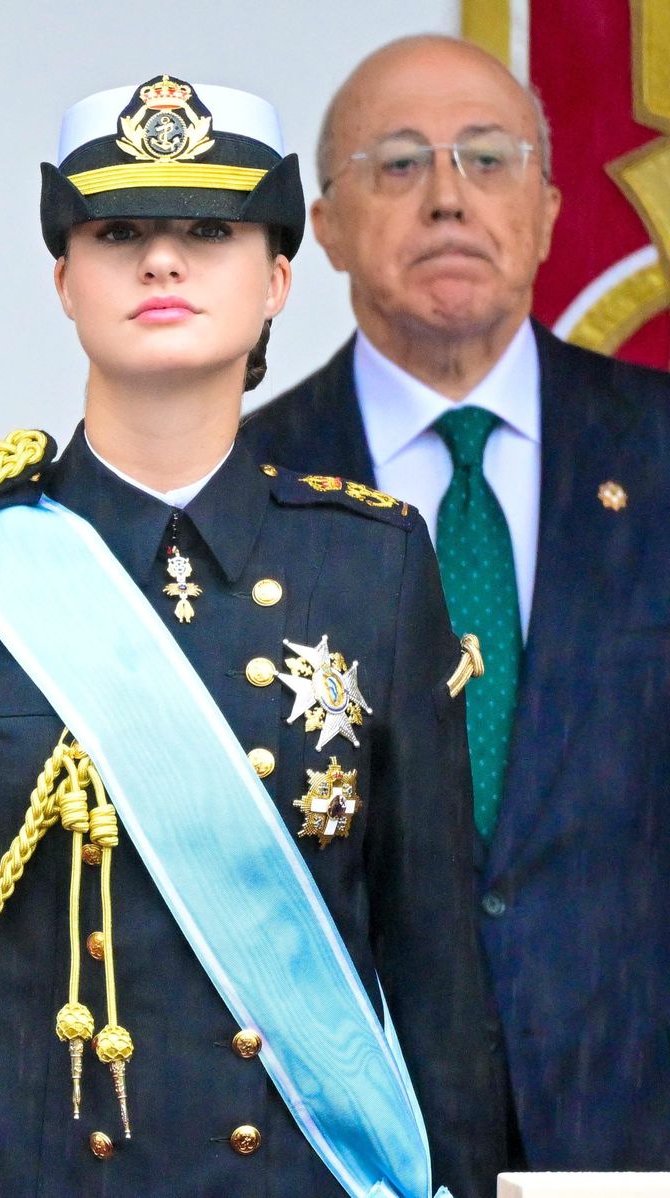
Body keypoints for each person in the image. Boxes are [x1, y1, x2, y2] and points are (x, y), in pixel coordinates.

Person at [0, 72, 504, 1197]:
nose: (162, 261)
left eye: (208, 231)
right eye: (119, 231)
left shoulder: (372, 566)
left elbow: (437, 973)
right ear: (63, 280)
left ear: (278, 278)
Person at [240, 34, 670, 1172]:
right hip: (339, 1135)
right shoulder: (236, 486)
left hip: (635, 1117)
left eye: (487, 160)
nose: (446, 197)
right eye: (395, 164)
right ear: (320, 224)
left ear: (544, 207)